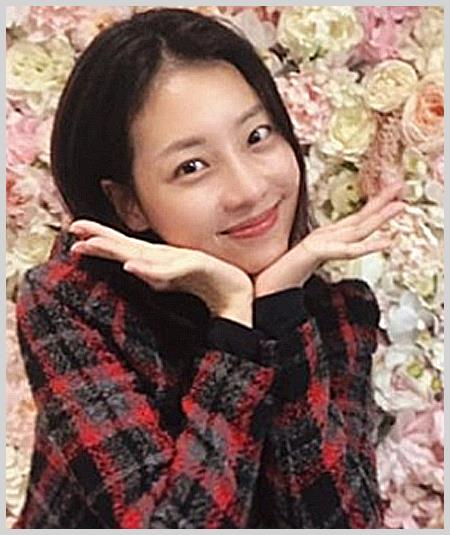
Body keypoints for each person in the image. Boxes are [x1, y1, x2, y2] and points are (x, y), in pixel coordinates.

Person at [13, 7, 406, 529]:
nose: (249, 189)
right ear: (129, 204)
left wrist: (278, 309)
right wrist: (233, 323)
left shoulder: (337, 314)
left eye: (257, 136)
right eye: (191, 166)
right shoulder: (72, 302)